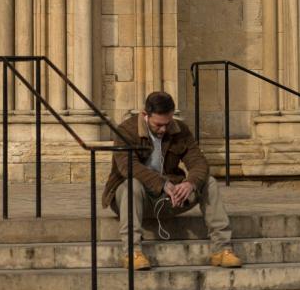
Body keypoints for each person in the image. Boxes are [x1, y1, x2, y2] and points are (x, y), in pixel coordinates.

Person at [101, 90, 242, 270]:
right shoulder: (125, 130)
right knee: (132, 185)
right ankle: (132, 252)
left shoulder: (180, 130)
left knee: (209, 182)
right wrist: (162, 184)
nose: (163, 129)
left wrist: (189, 183)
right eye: (158, 125)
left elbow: (199, 162)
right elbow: (128, 167)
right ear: (145, 115)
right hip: (134, 199)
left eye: (167, 124)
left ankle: (222, 250)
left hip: (170, 198)